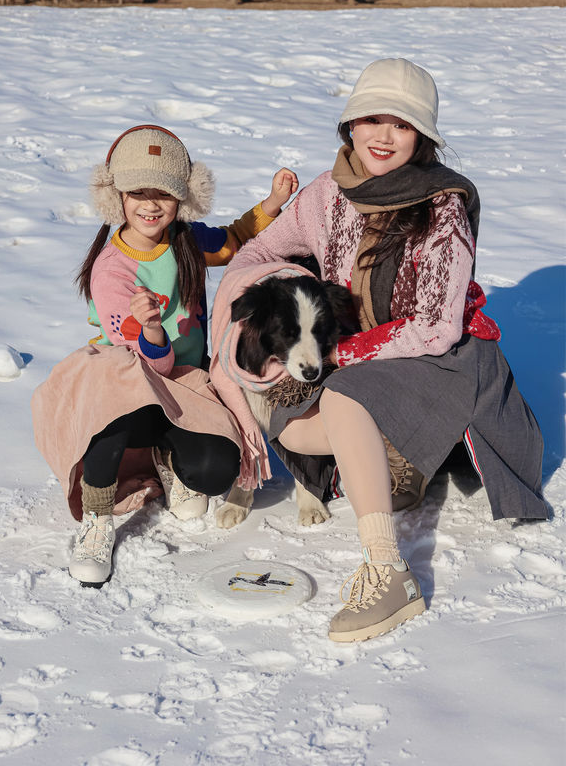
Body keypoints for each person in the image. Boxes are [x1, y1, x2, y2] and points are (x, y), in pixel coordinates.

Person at [211, 58, 547, 643]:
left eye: (402, 123)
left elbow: (435, 327)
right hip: (353, 357)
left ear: (423, 135)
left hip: (438, 359)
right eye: (370, 120)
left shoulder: (442, 205)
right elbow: (254, 256)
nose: (383, 137)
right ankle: (395, 456)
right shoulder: (327, 193)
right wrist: (285, 291)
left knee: (339, 404)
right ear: (349, 127)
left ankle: (387, 570)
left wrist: (338, 357)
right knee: (292, 429)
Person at [31, 124, 298, 587]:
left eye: (165, 194)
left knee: (215, 473)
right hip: (128, 386)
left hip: (185, 383)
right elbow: (147, 363)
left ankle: (168, 459)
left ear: (184, 197)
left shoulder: (185, 239)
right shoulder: (112, 269)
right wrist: (152, 327)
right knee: (107, 417)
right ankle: (97, 519)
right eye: (138, 192)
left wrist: (273, 204)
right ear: (117, 196)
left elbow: (233, 240)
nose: (151, 205)